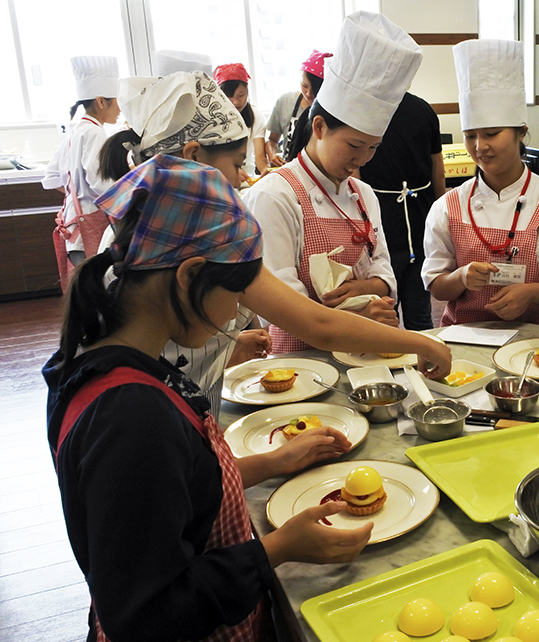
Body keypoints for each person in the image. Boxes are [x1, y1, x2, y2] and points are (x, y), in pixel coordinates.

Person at [44, 155, 373, 642]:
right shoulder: (130, 416)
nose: (238, 310)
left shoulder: (111, 363)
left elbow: (169, 496)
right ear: (190, 274)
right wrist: (276, 549)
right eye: (236, 291)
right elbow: (147, 608)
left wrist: (271, 463)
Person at [99, 71, 450, 414]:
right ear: (193, 157)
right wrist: (420, 340)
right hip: (144, 416)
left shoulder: (161, 225)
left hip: (182, 415)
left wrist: (227, 344)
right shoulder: (199, 235)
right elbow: (314, 324)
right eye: (237, 163)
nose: (241, 178)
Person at [245, 11, 423, 352]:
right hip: (302, 366)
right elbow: (280, 305)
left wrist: (367, 289)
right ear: (319, 128)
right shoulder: (276, 195)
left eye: (373, 148)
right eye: (354, 146)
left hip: (367, 354)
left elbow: (386, 274)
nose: (362, 160)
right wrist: (362, 311)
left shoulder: (364, 195)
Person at [422, 39, 539, 326]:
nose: (479, 146)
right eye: (471, 135)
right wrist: (461, 276)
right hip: (462, 339)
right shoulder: (448, 207)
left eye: (491, 133)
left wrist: (531, 293)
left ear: (521, 132)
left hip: (533, 341)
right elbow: (437, 286)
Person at [359, 91, 445, 330]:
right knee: (418, 311)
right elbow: (438, 168)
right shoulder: (423, 107)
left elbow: (355, 175)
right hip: (415, 212)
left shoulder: (366, 108)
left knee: (386, 311)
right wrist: (440, 209)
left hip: (385, 215)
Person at [42, 56, 120, 291]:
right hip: (89, 227)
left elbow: (51, 177)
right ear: (101, 101)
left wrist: (77, 197)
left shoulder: (77, 131)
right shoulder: (96, 134)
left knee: (84, 291)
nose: (119, 108)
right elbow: (101, 184)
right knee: (95, 291)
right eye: (116, 101)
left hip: (73, 226)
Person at [264, 49, 331, 167]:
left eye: (316, 89)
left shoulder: (331, 109)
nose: (309, 93)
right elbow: (272, 140)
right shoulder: (284, 101)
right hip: (289, 168)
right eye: (304, 86)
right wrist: (272, 155)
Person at [214, 63, 268, 178]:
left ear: (247, 92)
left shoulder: (256, 116)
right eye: (229, 96)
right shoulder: (212, 119)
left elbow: (260, 158)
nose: (236, 102)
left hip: (248, 178)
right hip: (222, 179)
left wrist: (266, 172)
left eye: (241, 95)